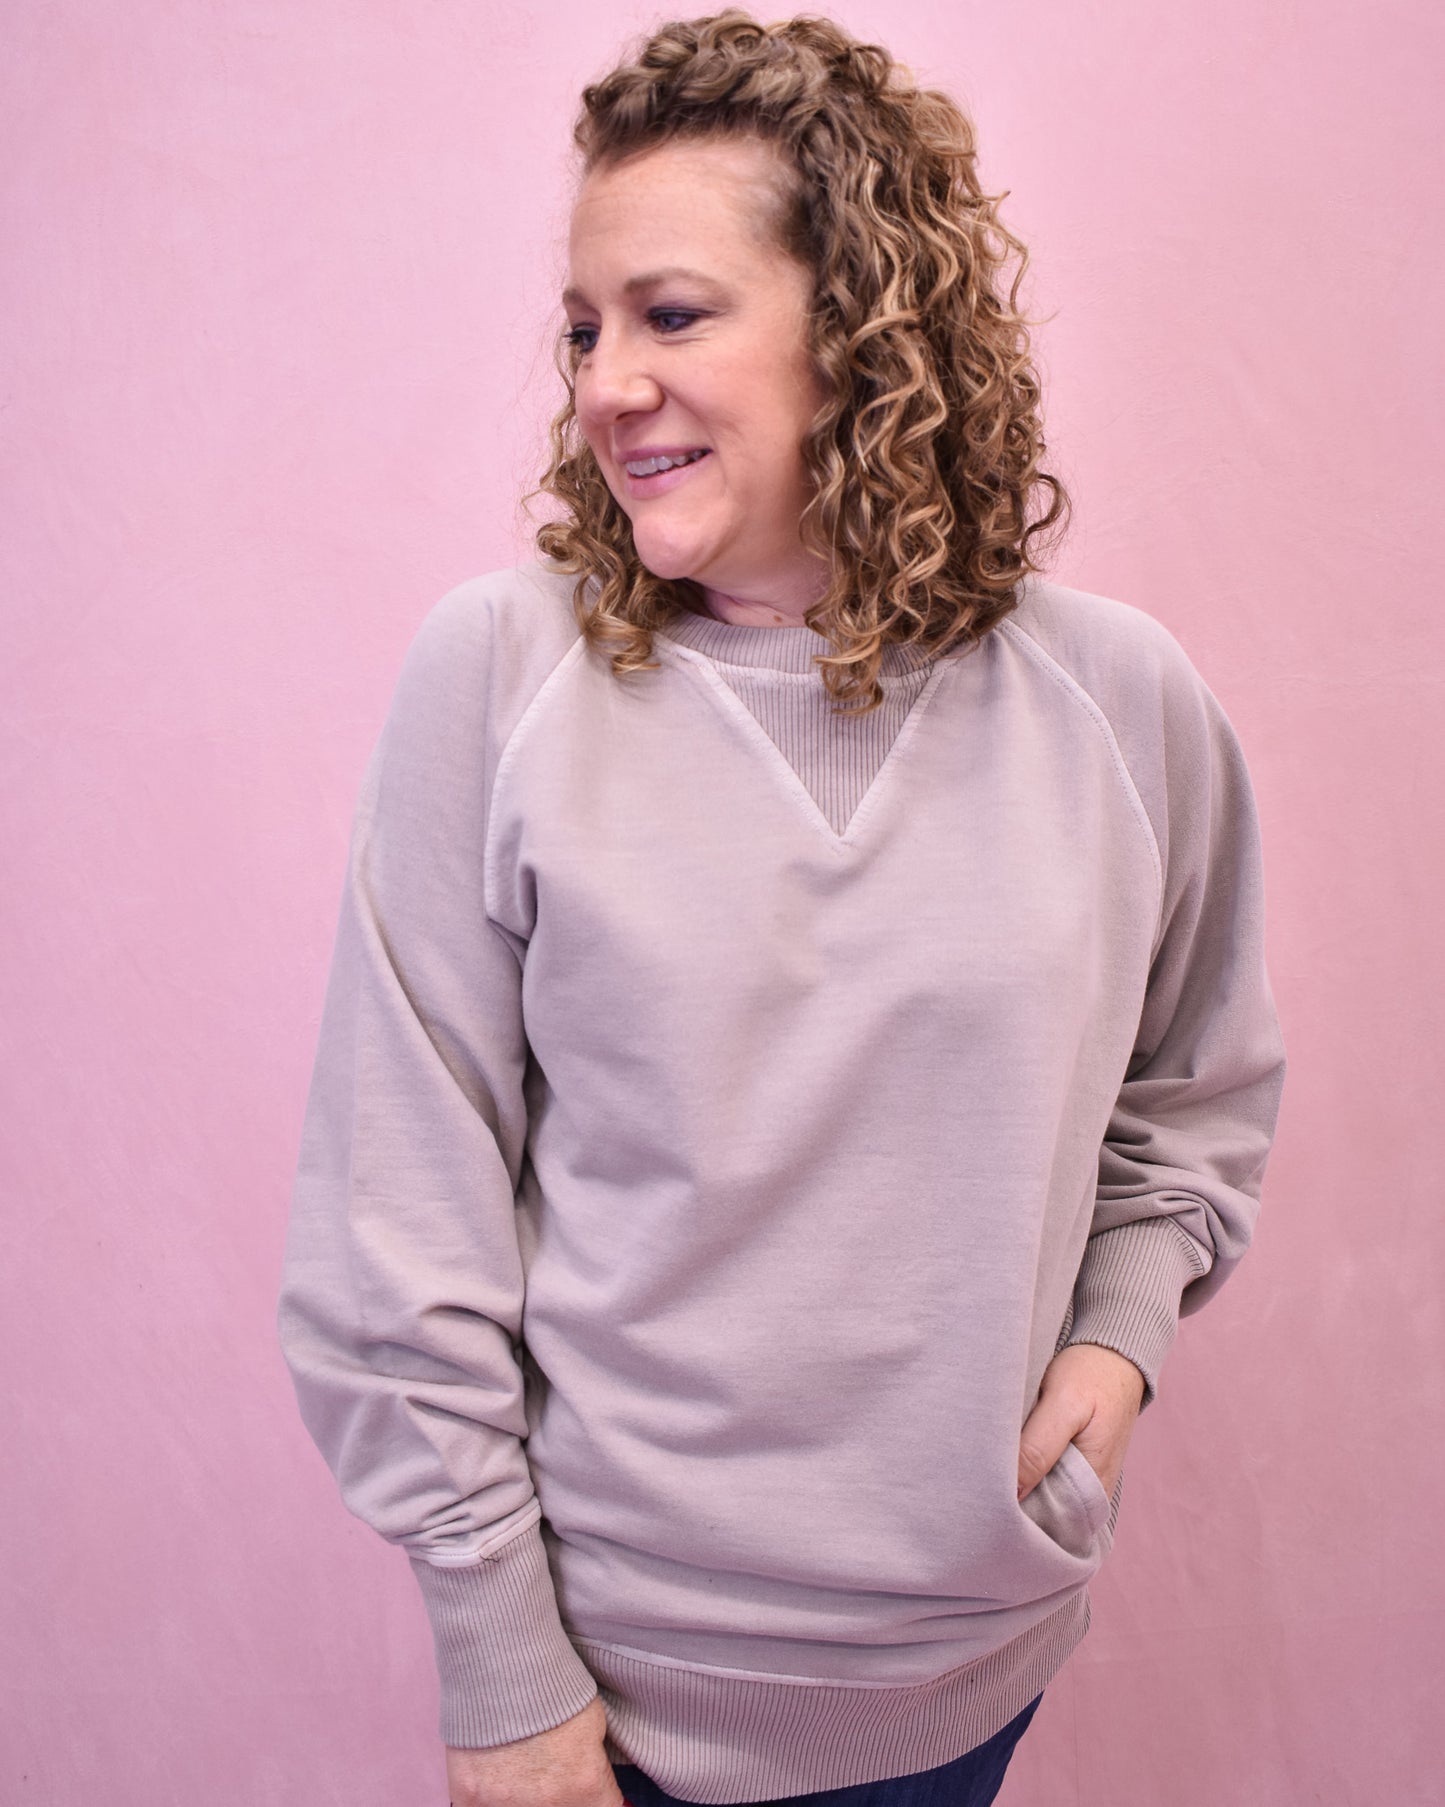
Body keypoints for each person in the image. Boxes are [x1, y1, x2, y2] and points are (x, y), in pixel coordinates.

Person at [275, 12, 1287, 1807]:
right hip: (600, 1683)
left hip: (968, 1664)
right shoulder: (500, 675)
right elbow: (397, 1215)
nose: (601, 384)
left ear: (861, 332)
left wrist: (1118, 1340)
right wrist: (500, 1670)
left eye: (670, 316)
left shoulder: (1119, 702)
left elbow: (1192, 1090)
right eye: (582, 329)